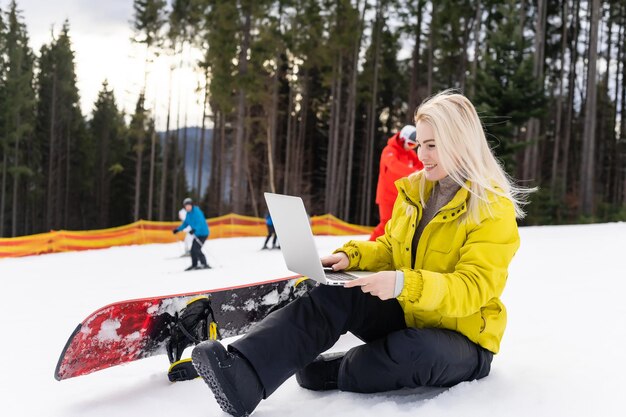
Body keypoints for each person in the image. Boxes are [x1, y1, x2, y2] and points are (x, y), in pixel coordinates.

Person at [190, 91, 533, 417]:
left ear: (461, 144)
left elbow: (473, 289)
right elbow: (390, 248)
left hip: (465, 342)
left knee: (415, 352)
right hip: (411, 314)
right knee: (337, 295)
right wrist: (352, 258)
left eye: (432, 145)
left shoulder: (491, 209)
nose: (422, 155)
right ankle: (245, 374)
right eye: (420, 145)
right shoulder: (416, 192)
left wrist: (403, 284)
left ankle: (337, 370)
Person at [370, 124, 423, 241]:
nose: (411, 147)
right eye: (410, 144)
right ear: (402, 139)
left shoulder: (409, 154)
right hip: (387, 196)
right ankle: (365, 248)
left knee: (400, 225)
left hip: (401, 196)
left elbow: (421, 165)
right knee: (386, 224)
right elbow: (394, 166)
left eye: (414, 145)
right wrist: (415, 172)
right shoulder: (389, 151)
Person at [173, 198, 211, 271]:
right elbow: (185, 224)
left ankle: (204, 263)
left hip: (203, 233)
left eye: (189, 206)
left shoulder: (197, 211)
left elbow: (200, 222)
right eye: (186, 206)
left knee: (196, 249)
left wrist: (194, 229)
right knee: (193, 250)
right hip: (197, 234)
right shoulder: (188, 214)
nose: (187, 207)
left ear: (191, 205)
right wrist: (178, 229)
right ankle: (194, 264)